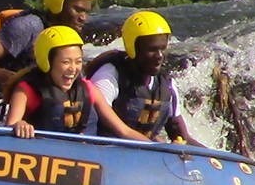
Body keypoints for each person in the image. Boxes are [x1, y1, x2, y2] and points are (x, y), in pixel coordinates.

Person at [6, 26, 152, 141]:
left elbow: (123, 131)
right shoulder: (26, 90)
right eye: (65, 62)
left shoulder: (88, 88)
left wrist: (158, 148)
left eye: (78, 62)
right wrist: (20, 125)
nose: (73, 69)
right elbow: (11, 124)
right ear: (47, 62)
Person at [86, 10, 205, 146]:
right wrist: (159, 147)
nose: (159, 56)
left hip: (146, 155)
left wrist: (217, 158)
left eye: (162, 49)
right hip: (105, 153)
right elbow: (118, 131)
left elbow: (183, 138)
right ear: (133, 49)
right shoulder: (109, 75)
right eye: (152, 49)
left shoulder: (167, 85)